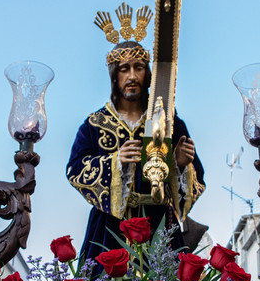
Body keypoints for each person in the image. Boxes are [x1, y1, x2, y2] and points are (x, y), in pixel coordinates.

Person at [66, 29, 205, 261]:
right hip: (109, 230)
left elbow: (196, 180)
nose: (132, 76)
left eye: (138, 68)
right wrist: (115, 162)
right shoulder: (95, 124)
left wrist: (180, 165)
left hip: (159, 225)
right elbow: (75, 169)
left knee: (164, 280)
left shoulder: (169, 122)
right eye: (124, 69)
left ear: (147, 74)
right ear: (114, 75)